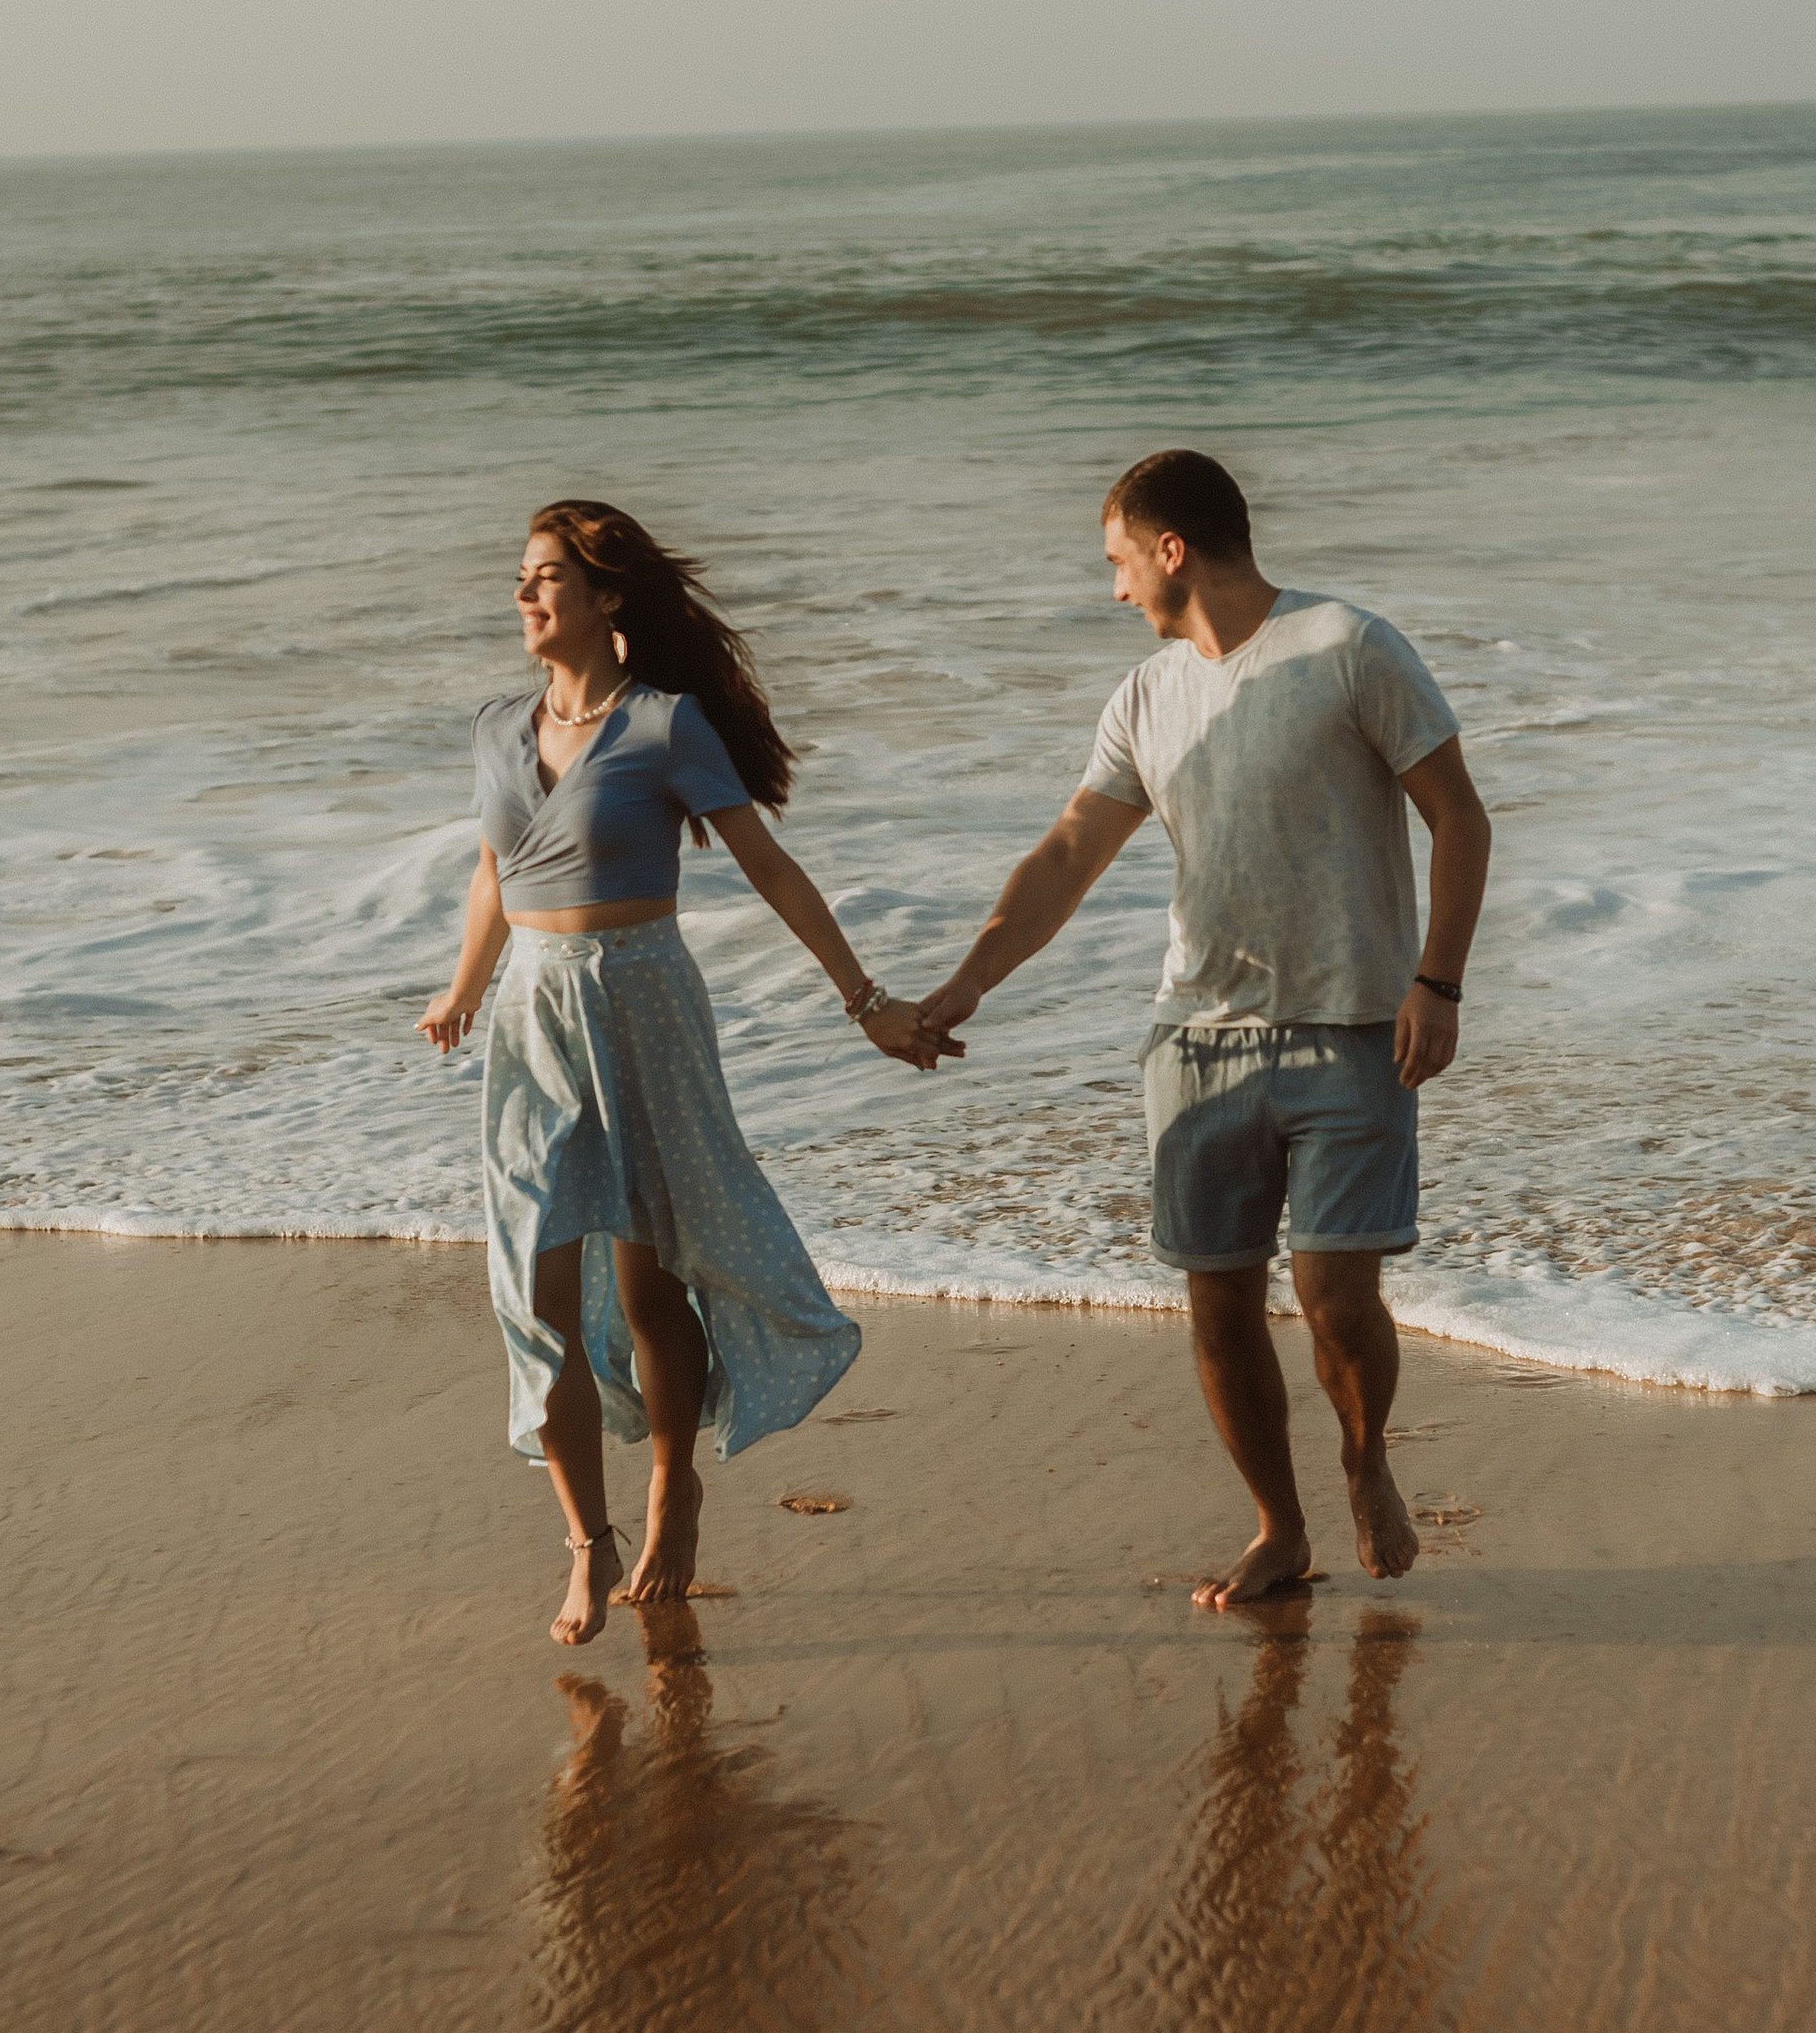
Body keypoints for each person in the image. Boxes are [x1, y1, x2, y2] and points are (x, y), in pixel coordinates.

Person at [917, 449, 1491, 1611]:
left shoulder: (1347, 646)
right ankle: (1279, 1528)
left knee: (1336, 1298)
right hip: (1196, 1043)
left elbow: (1459, 818)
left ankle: (1363, 1455)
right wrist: (965, 982)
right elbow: (1069, 854)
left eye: (1119, 561)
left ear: (1170, 548)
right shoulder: (1143, 696)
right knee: (1218, 1302)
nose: (1114, 589)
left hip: (1350, 1028)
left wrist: (1439, 982)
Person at [420, 499, 955, 1649]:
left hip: (643, 1001)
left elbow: (768, 865)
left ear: (608, 598)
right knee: (534, 1296)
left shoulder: (664, 728)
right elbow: (490, 873)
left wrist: (865, 1001)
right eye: (520, 575)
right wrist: (464, 987)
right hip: (532, 1020)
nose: (524, 594)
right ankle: (583, 1540)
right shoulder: (495, 729)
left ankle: (671, 1486)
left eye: (547, 576)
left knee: (655, 1281)